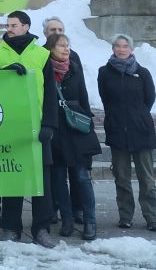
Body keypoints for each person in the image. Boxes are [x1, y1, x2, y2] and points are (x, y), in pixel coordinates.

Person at [0, 10, 58, 248]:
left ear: (26, 27)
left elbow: (51, 92)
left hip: (37, 126)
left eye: (14, 24)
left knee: (42, 183)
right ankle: (11, 228)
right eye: (8, 24)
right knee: (13, 180)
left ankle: (41, 228)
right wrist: (4, 72)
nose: (9, 28)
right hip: (9, 127)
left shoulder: (41, 54)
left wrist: (49, 123)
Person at [97, 34, 156, 232]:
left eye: (125, 46)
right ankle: (125, 216)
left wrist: (137, 118)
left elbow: (149, 99)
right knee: (122, 178)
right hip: (117, 132)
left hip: (141, 131)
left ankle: (152, 217)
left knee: (147, 180)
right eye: (117, 46)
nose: (121, 49)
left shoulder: (142, 73)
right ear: (113, 48)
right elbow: (105, 99)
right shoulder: (105, 72)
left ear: (131, 49)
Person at [44, 33, 100, 240]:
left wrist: (89, 126)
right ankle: (66, 220)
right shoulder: (44, 70)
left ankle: (90, 220)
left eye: (67, 45)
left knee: (81, 177)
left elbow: (83, 97)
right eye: (61, 46)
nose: (66, 49)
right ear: (50, 48)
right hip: (56, 130)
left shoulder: (75, 69)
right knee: (58, 179)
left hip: (76, 131)